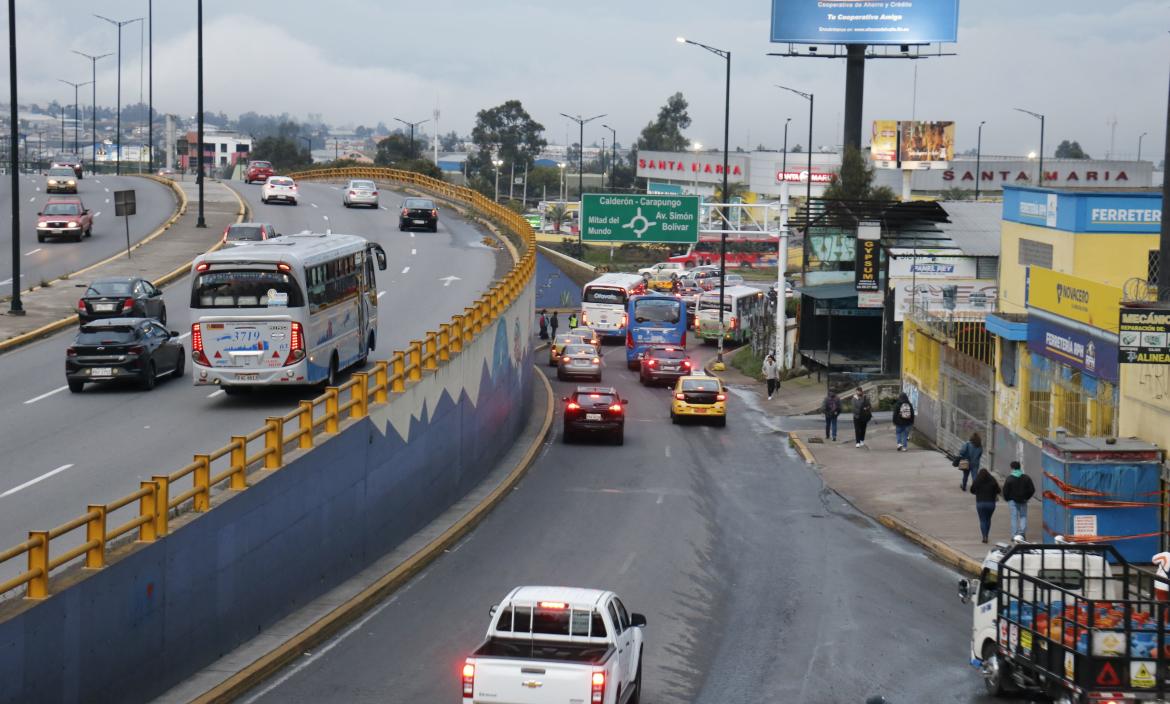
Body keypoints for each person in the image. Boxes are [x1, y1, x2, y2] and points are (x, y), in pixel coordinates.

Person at [1001, 461, 1036, 539]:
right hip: (1023, 500)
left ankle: (1014, 535)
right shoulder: (1026, 478)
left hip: (1012, 501)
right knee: (1023, 516)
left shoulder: (1010, 478)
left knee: (1014, 517)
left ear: (1012, 468)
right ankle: (1022, 534)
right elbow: (1032, 489)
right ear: (1020, 467)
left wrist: (1007, 499)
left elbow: (1005, 490)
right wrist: (1027, 497)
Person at [970, 467, 1001, 543]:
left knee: (982, 520)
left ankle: (984, 536)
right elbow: (999, 490)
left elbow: (972, 490)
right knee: (988, 519)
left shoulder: (977, 481)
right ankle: (987, 534)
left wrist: (978, 493)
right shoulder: (992, 480)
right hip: (991, 503)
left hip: (980, 503)